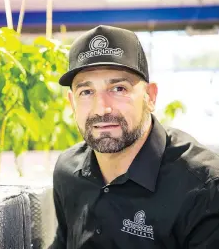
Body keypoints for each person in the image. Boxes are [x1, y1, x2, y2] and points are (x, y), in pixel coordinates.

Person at [49, 25, 219, 249]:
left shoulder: (204, 187)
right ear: (72, 103)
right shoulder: (67, 170)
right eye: (87, 92)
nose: (102, 109)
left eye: (118, 88)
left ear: (150, 96)